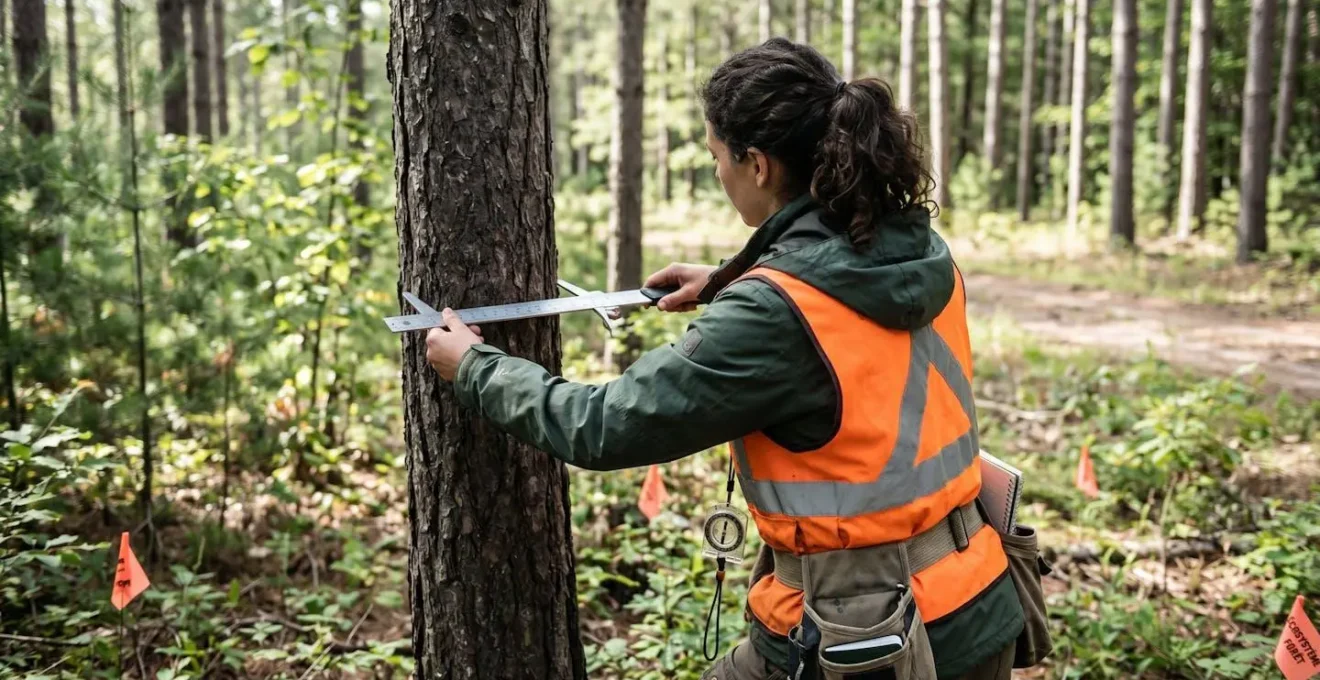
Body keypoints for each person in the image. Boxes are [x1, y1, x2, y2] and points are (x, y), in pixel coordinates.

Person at [423, 38, 1025, 680]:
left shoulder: (772, 317)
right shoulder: (918, 251)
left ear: (758, 165)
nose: (717, 172)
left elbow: (604, 425)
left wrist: (478, 368)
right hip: (977, 601)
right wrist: (728, 277)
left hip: (867, 636)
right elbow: (842, 317)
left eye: (716, 156)